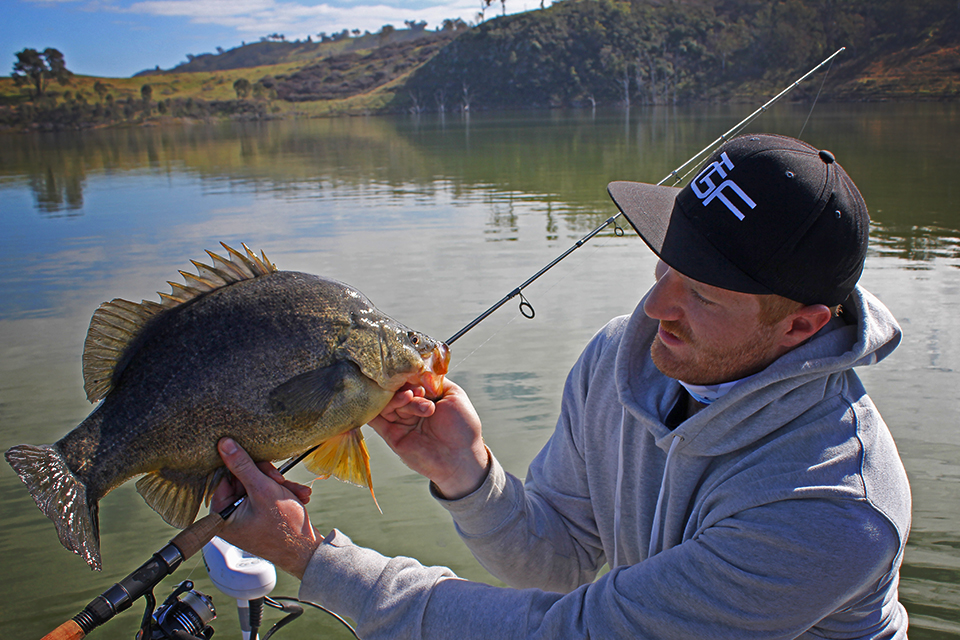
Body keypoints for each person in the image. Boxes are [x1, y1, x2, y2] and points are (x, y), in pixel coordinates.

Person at [211, 133, 911, 639]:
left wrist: (308, 555)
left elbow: (576, 631)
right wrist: (466, 474)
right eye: (665, 264)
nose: (656, 307)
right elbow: (566, 563)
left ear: (802, 326)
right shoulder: (622, 357)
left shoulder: (832, 508)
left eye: (701, 293)